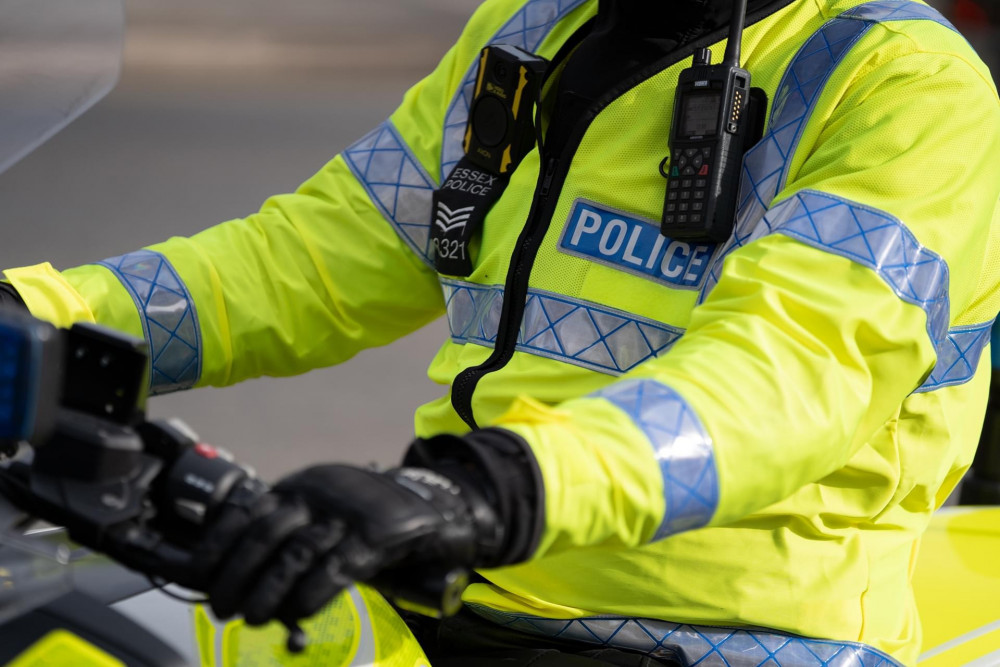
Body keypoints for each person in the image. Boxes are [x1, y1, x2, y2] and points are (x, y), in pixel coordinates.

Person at [2, 0, 998, 665]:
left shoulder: (897, 83)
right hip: (450, 585)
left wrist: (478, 487)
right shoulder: (532, 29)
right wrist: (33, 317)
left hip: (726, 638)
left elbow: (784, 380)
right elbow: (308, 258)